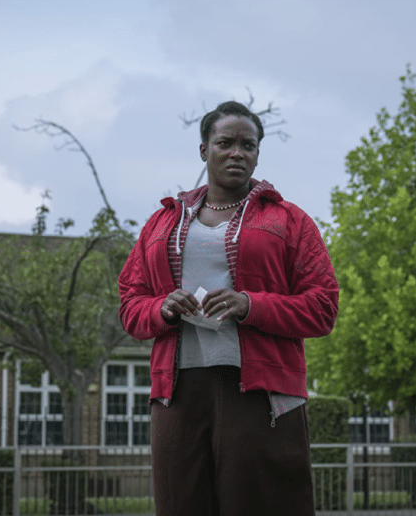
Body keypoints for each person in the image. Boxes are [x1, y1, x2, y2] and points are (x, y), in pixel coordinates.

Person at [118, 100, 339, 515]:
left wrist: (250, 304)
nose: (237, 153)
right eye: (225, 143)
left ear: (257, 154)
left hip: (259, 391)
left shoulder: (289, 221)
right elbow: (130, 304)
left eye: (248, 145)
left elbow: (323, 306)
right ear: (204, 150)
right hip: (178, 392)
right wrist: (162, 308)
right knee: (181, 504)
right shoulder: (160, 225)